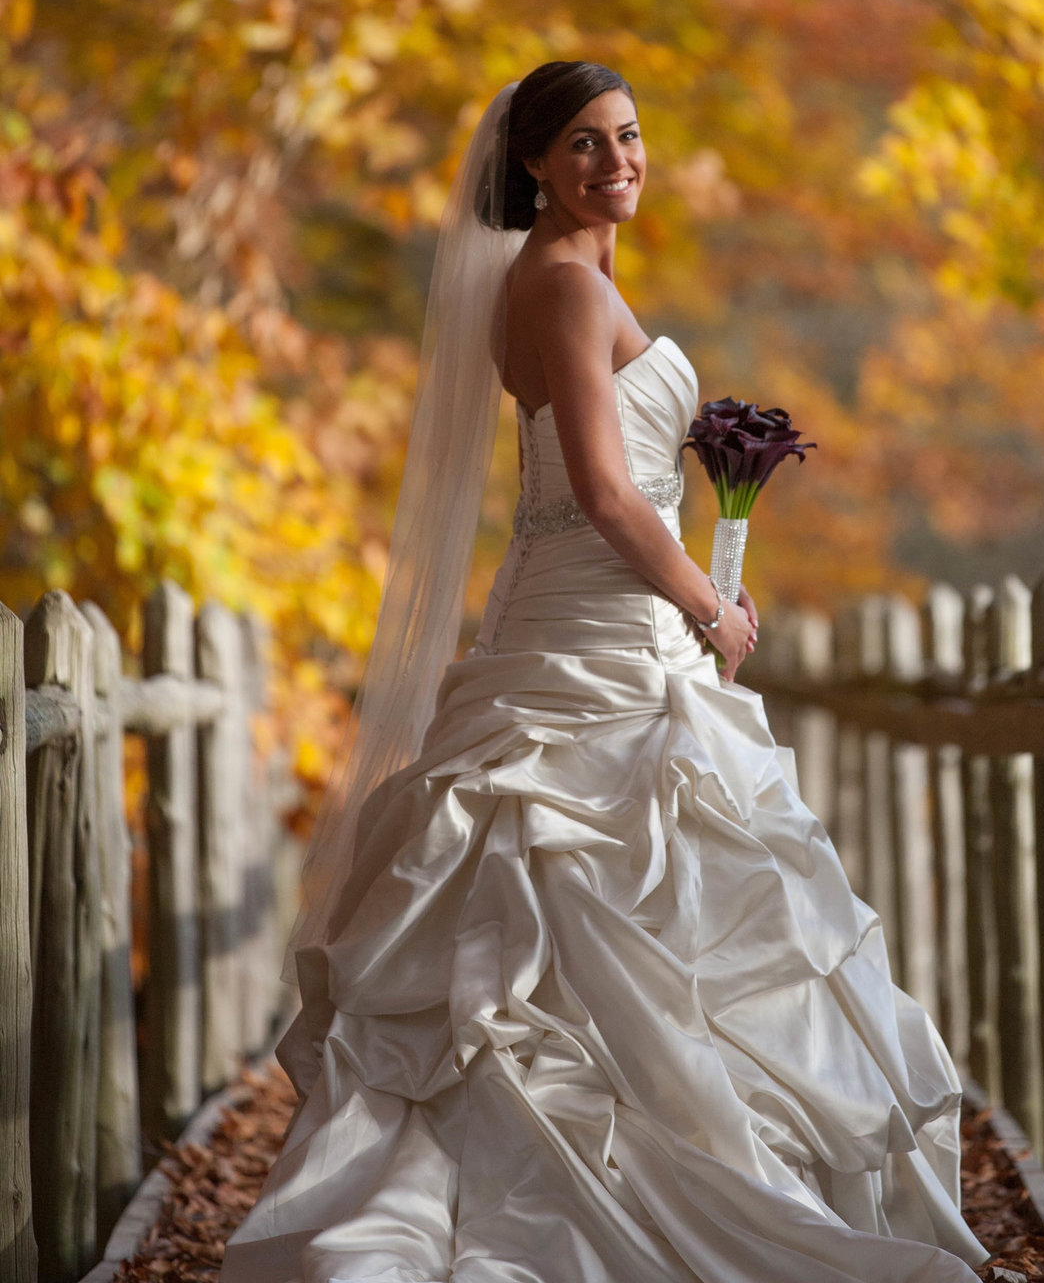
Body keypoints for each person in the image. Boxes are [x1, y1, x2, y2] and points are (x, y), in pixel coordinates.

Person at [222, 62, 992, 1283]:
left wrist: (705, 572)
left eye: (627, 137)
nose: (614, 161)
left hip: (589, 617)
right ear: (532, 165)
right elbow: (599, 491)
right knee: (581, 898)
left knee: (631, 912)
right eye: (583, 145)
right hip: (596, 638)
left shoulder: (566, 275)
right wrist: (706, 610)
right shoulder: (567, 286)